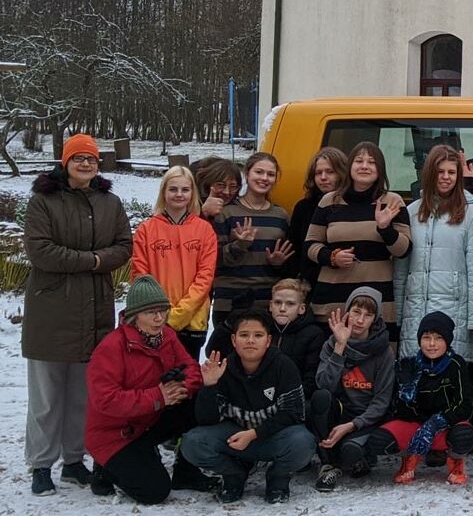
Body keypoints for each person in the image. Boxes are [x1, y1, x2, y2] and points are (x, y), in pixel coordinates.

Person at [24, 134, 132, 496]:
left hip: (95, 310)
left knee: (83, 395)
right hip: (52, 311)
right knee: (47, 397)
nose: (86, 164)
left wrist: (101, 260)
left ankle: (73, 461)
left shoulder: (109, 202)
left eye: (91, 159)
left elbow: (124, 246)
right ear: (65, 162)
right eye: (78, 158)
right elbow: (41, 251)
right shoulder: (44, 201)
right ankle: (41, 464)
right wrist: (93, 261)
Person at [85, 275, 217, 504]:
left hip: (149, 420)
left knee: (202, 400)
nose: (159, 319)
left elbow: (191, 368)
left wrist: (182, 385)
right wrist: (159, 396)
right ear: (134, 316)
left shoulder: (167, 335)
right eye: (151, 313)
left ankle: (186, 471)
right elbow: (105, 400)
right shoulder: (112, 347)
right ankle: (105, 467)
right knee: (155, 492)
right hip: (116, 433)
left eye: (163, 311)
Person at [180, 309, 315, 504]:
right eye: (244, 335)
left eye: (258, 335)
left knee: (303, 443)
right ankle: (234, 474)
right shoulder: (223, 368)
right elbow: (206, 420)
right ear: (234, 340)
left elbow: (293, 413)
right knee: (193, 443)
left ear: (268, 341)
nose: (250, 340)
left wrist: (254, 434)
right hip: (235, 435)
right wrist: (209, 386)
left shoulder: (283, 365)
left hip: (272, 436)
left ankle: (278, 478)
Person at [306, 142, 412, 348]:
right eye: (359, 161)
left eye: (371, 162)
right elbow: (310, 245)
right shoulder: (329, 201)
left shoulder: (392, 201)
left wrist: (385, 228)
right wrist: (331, 257)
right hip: (332, 297)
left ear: (380, 169)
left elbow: (404, 250)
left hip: (375, 300)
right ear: (350, 167)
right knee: (331, 357)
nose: (365, 166)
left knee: (373, 364)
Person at [395, 145, 473, 364]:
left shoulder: (472, 213)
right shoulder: (411, 211)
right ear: (429, 174)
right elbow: (401, 268)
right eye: (440, 171)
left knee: (450, 382)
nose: (446, 177)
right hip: (415, 310)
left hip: (454, 312)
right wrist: (397, 315)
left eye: (452, 172)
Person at [367, 311, 473, 486]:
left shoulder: (456, 364)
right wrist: (405, 390)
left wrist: (436, 423)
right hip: (417, 426)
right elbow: (399, 413)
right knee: (379, 440)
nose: (432, 344)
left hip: (445, 426)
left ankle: (455, 460)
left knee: (464, 436)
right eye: (426, 337)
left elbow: (465, 405)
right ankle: (409, 457)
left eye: (438, 338)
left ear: (447, 341)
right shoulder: (411, 365)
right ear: (419, 340)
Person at [310, 287, 397, 491]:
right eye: (357, 312)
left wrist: (352, 426)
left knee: (350, 452)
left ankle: (357, 457)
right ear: (348, 311)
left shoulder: (383, 351)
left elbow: (382, 401)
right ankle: (328, 464)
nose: (360, 320)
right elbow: (323, 385)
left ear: (375, 319)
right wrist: (340, 348)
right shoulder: (332, 342)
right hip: (340, 411)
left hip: (366, 418)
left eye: (368, 315)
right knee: (320, 397)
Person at [208, 152, 293, 356]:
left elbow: (285, 261)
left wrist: (278, 263)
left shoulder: (280, 216)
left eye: (270, 174)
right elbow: (214, 259)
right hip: (229, 301)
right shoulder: (226, 212)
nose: (264, 178)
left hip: (265, 301)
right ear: (247, 173)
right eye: (259, 172)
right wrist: (240, 245)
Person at [131, 166, 218, 360]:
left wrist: (178, 315)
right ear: (163, 192)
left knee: (187, 380)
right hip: (154, 318)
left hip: (193, 319)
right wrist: (160, 312)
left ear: (192, 193)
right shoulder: (146, 229)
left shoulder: (204, 230)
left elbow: (205, 276)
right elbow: (140, 274)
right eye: (173, 189)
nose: (179, 194)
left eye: (185, 190)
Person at [287, 147, 349, 287]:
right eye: (318, 173)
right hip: (311, 285)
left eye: (330, 172)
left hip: (344, 281)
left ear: (342, 173)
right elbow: (296, 249)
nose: (323, 177)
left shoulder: (353, 206)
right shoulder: (303, 207)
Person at [268, 279, 326, 398]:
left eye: (290, 304)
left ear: (302, 308)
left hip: (296, 399)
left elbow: (311, 378)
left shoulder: (314, 334)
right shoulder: (262, 329)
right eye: (278, 302)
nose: (282, 308)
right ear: (270, 306)